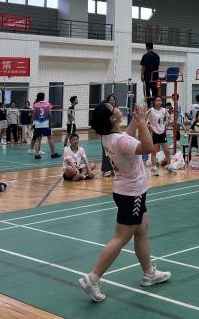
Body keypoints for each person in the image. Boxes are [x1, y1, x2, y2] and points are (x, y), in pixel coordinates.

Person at [78, 102, 170, 303]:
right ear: (113, 118)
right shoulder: (120, 141)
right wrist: (143, 123)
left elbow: (125, 138)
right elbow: (147, 148)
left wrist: (136, 121)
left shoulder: (108, 137)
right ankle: (92, 278)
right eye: (113, 108)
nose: (116, 107)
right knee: (120, 238)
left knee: (142, 231)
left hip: (126, 192)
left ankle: (149, 273)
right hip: (132, 194)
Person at [148, 96, 174, 176]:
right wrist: (150, 127)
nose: (159, 102)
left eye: (160, 100)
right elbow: (144, 120)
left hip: (162, 132)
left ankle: (169, 167)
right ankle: (154, 168)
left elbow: (169, 118)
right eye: (157, 100)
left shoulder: (164, 110)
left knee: (167, 151)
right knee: (154, 152)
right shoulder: (151, 111)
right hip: (154, 132)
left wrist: (166, 124)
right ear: (154, 102)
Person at [32, 92, 60, 160]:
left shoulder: (35, 105)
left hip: (38, 124)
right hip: (46, 124)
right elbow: (50, 114)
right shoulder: (48, 104)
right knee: (50, 138)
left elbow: (33, 115)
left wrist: (32, 123)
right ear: (43, 97)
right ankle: (53, 154)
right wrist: (51, 122)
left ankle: (36, 155)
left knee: (38, 140)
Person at [97, 94, 116, 178]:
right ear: (107, 101)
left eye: (114, 100)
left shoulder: (116, 110)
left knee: (115, 152)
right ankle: (106, 170)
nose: (112, 101)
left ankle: (114, 169)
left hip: (114, 134)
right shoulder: (104, 110)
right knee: (106, 152)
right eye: (111, 100)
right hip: (105, 133)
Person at [140, 42, 161, 107]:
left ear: (146, 47)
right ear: (152, 47)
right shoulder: (157, 56)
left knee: (147, 92)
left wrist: (142, 75)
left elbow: (143, 67)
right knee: (155, 92)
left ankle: (149, 105)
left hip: (147, 77)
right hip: (155, 77)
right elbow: (157, 67)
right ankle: (155, 105)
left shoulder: (145, 56)